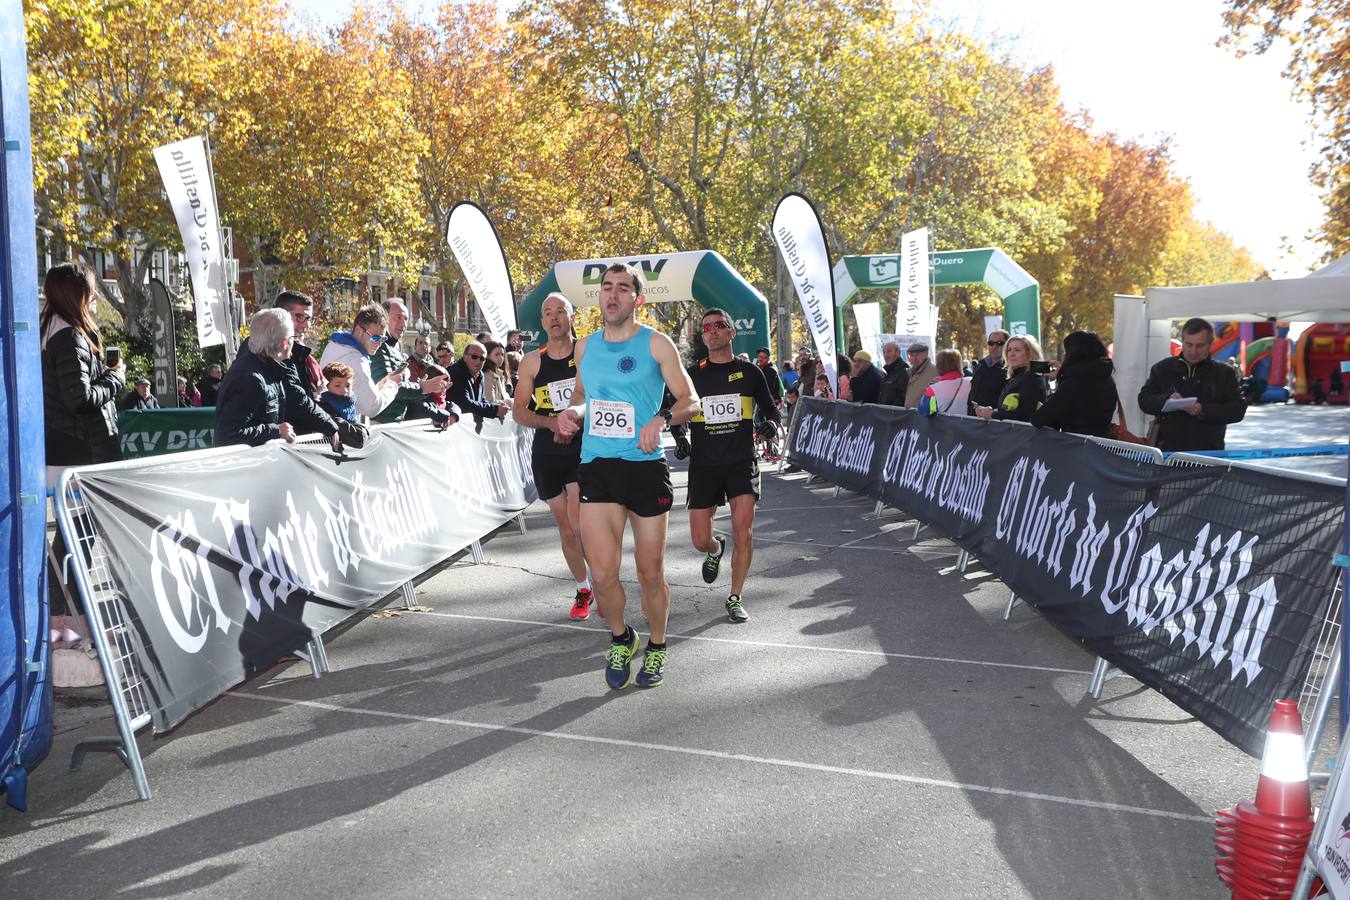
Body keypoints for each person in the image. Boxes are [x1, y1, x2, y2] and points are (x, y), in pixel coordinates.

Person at [556, 263, 699, 690]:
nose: (612, 294)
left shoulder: (657, 343)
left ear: (638, 299)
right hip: (598, 466)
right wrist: (572, 413)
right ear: (598, 297)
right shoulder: (585, 348)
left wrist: (660, 418)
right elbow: (583, 395)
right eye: (606, 288)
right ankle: (622, 636)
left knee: (650, 573)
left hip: (645, 467)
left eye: (622, 288)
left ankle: (657, 645)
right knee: (601, 574)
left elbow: (690, 399)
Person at [681, 308, 780, 623]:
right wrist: (678, 435)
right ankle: (714, 548)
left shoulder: (751, 372)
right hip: (704, 464)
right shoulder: (692, 374)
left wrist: (771, 426)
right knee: (699, 539)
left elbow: (771, 411)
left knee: (744, 531)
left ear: (731, 332)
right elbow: (673, 408)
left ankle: (735, 597)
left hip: (741, 461)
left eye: (719, 326)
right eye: (706, 327)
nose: (712, 331)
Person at [512, 293, 593, 620]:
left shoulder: (586, 353)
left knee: (578, 524)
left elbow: (599, 395)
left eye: (561, 311)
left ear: (572, 316)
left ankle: (600, 580)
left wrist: (574, 421)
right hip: (547, 451)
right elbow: (519, 412)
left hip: (582, 448)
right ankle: (583, 587)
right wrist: (550, 421)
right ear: (543, 322)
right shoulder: (532, 361)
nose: (555, 317)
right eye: (548, 313)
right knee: (566, 528)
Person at [215, 309, 342, 449]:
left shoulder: (266, 369)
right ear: (285, 343)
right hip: (248, 466)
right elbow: (226, 437)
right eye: (293, 338)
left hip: (259, 464)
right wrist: (276, 430)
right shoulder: (250, 378)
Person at [40, 261, 125, 466]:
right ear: (75, 295)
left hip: (72, 447)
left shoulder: (55, 331)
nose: (96, 296)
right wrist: (115, 377)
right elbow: (80, 399)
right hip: (79, 452)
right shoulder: (68, 336)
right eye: (91, 290)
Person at [1138, 317, 1246, 451]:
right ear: (1182, 342)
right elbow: (1144, 400)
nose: (1193, 351)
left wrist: (1203, 410)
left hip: (1208, 454)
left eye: (1200, 345)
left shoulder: (1224, 373)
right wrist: (1166, 400)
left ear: (1210, 344)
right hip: (1167, 453)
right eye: (1189, 344)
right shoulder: (1163, 368)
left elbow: (1238, 410)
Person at [370, 298, 454, 426]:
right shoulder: (378, 346)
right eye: (398, 317)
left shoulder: (396, 347)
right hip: (379, 423)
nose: (403, 324)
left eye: (406, 319)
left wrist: (423, 387)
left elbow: (403, 387)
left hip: (395, 422)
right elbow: (387, 385)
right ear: (384, 318)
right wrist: (423, 387)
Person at [318, 304, 405, 422]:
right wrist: (393, 385)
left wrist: (382, 384)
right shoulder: (357, 360)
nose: (379, 343)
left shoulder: (333, 345)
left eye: (383, 339)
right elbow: (372, 407)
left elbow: (360, 394)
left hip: (330, 422)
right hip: (343, 430)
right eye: (375, 338)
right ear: (359, 330)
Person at [1032, 331, 1117, 437]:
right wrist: (1063, 376)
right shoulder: (1105, 376)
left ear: (1074, 353)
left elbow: (1040, 419)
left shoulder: (1075, 381)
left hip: (1075, 445)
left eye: (1066, 351)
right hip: (1099, 444)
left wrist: (1064, 378)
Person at [974, 335, 1048, 423]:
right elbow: (1010, 412)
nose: (1012, 354)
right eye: (1009, 350)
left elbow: (1025, 416)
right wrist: (992, 411)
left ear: (1029, 354)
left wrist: (992, 414)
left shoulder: (1032, 377)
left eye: (1017, 350)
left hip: (1023, 434)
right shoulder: (1016, 376)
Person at [275, 290, 324, 399]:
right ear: (281, 315)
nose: (306, 326)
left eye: (309, 319)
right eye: (300, 317)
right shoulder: (271, 349)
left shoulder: (300, 352)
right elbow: (296, 401)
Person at [447, 341, 510, 420]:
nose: (478, 361)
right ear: (465, 357)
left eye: (482, 358)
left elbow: (481, 400)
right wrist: (494, 410)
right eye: (474, 357)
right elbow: (464, 404)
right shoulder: (455, 373)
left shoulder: (480, 374)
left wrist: (497, 408)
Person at [917, 349, 971, 417]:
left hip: (945, 426)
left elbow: (925, 411)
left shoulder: (934, 389)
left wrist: (926, 391)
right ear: (959, 364)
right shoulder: (971, 382)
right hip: (969, 425)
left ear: (939, 365)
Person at [968, 330, 1009, 414]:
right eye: (991, 343)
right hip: (973, 420)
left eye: (999, 343)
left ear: (1007, 345)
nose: (994, 346)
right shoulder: (980, 366)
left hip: (994, 422)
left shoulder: (1009, 370)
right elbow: (972, 393)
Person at [902, 342, 938, 407]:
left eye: (917, 355)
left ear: (926, 354)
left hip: (924, 414)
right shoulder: (908, 372)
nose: (914, 358)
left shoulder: (935, 372)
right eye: (912, 355)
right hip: (909, 413)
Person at [877, 341, 909, 407]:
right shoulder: (888, 373)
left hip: (893, 415)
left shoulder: (903, 372)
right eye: (884, 352)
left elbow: (903, 398)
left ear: (898, 353)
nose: (886, 355)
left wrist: (889, 411)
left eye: (889, 351)